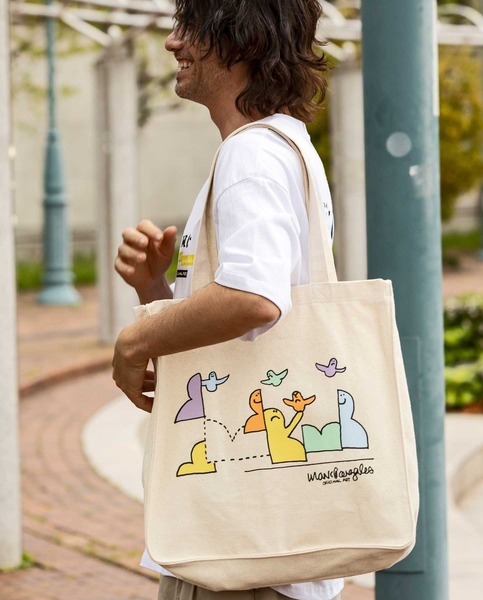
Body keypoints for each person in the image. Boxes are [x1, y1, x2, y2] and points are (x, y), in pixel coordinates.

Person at [113, 1, 343, 599]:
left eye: (189, 26)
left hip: (239, 556)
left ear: (242, 40)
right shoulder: (286, 146)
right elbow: (247, 322)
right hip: (261, 538)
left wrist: (135, 339)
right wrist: (155, 291)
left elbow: (253, 298)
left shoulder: (251, 154)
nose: (173, 43)